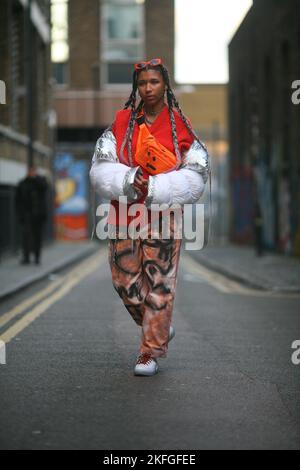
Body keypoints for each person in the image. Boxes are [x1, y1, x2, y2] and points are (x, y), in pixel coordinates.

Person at [90, 58, 210, 376]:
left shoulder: (180, 126)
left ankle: (149, 351)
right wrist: (128, 179)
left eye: (154, 82)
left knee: (161, 282)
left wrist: (157, 185)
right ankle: (157, 324)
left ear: (164, 85)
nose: (148, 88)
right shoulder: (121, 122)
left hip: (164, 213)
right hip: (124, 212)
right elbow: (100, 166)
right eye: (143, 83)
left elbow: (198, 173)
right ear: (136, 87)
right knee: (123, 281)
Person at [15, 166, 48, 265]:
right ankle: (26, 257)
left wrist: (36, 178)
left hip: (38, 215)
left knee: (37, 236)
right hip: (27, 215)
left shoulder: (40, 181)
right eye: (30, 171)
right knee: (26, 236)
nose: (32, 173)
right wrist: (20, 214)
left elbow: (44, 187)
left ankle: (37, 257)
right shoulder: (23, 183)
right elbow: (18, 200)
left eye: (34, 171)